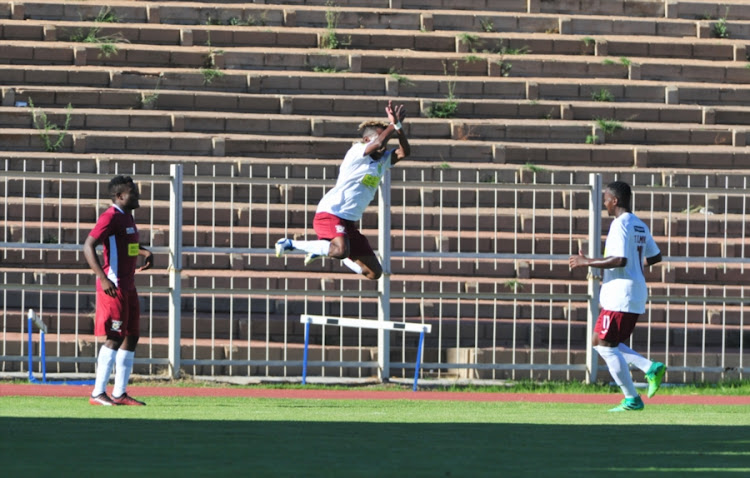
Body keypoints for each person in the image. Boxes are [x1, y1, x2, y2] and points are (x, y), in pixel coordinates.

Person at [275, 100, 410, 280]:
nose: (384, 145)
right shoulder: (357, 151)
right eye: (379, 139)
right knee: (339, 250)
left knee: (374, 272)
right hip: (332, 212)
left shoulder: (382, 160)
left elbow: (404, 152)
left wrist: (398, 127)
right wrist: (393, 124)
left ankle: (323, 249)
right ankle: (290, 243)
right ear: (366, 140)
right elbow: (378, 143)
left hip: (349, 222)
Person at [569, 180, 666, 412]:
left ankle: (634, 394)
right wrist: (635, 266)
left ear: (615, 200)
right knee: (599, 342)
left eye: (606, 199)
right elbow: (655, 257)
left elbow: (620, 259)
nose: (604, 203)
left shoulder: (620, 224)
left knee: (606, 346)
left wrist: (587, 262)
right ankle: (647, 371)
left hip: (621, 294)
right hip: (632, 292)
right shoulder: (640, 225)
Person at [84, 175, 153, 406]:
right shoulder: (110, 216)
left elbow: (126, 245)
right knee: (115, 336)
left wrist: (144, 252)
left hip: (129, 285)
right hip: (114, 286)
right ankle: (97, 393)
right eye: (133, 191)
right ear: (120, 196)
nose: (137, 195)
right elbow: (89, 245)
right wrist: (103, 279)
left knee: (131, 336)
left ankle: (120, 392)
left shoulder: (127, 218)